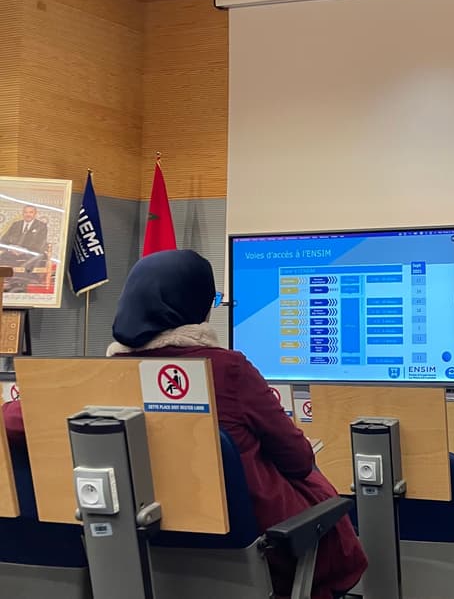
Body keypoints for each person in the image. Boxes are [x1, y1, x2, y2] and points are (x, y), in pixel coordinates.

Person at [3, 250, 367, 599]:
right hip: (253, 549)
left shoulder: (97, 378)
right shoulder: (227, 370)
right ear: (197, 308)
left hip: (138, 554)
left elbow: (15, 419)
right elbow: (298, 459)